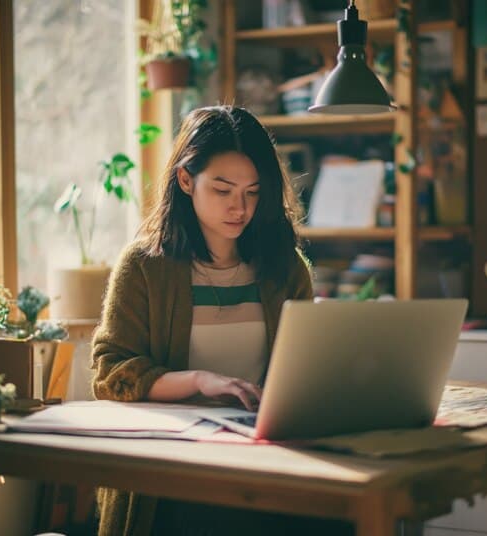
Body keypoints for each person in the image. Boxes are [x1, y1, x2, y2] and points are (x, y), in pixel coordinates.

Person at [91, 106, 349, 536]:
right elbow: (111, 374)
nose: (240, 207)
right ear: (186, 180)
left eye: (252, 192)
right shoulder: (144, 268)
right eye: (224, 189)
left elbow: (304, 367)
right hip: (174, 470)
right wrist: (199, 381)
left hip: (266, 457)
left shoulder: (284, 268)